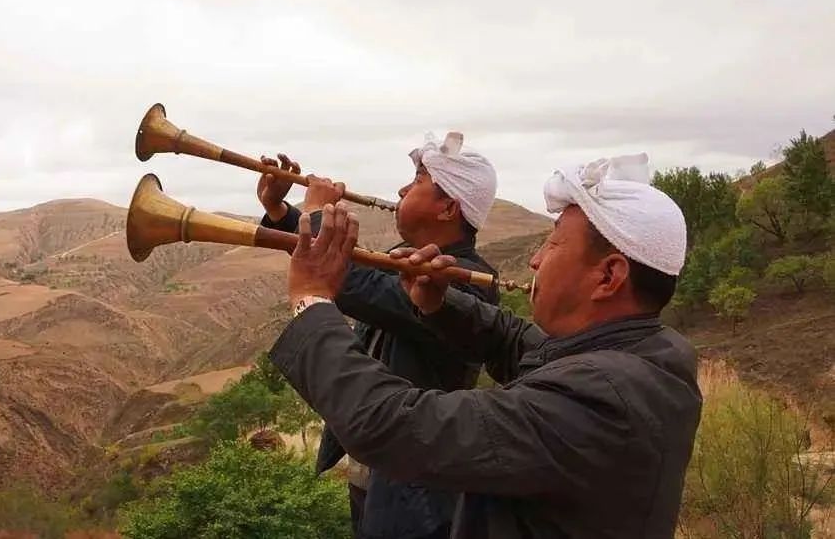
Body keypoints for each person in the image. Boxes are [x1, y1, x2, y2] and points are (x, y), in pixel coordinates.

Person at [269, 153, 702, 538]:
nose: (535, 260)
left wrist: (310, 301)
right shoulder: (640, 353)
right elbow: (513, 338)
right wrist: (437, 302)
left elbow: (395, 426)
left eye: (552, 244)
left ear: (609, 277)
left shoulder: (600, 398)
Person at [257, 132, 500, 539]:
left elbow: (352, 286)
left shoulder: (464, 280)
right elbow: (355, 280)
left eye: (418, 180)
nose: (402, 189)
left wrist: (316, 211)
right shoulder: (410, 259)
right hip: (381, 480)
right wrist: (281, 210)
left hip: (418, 495)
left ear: (448, 208)